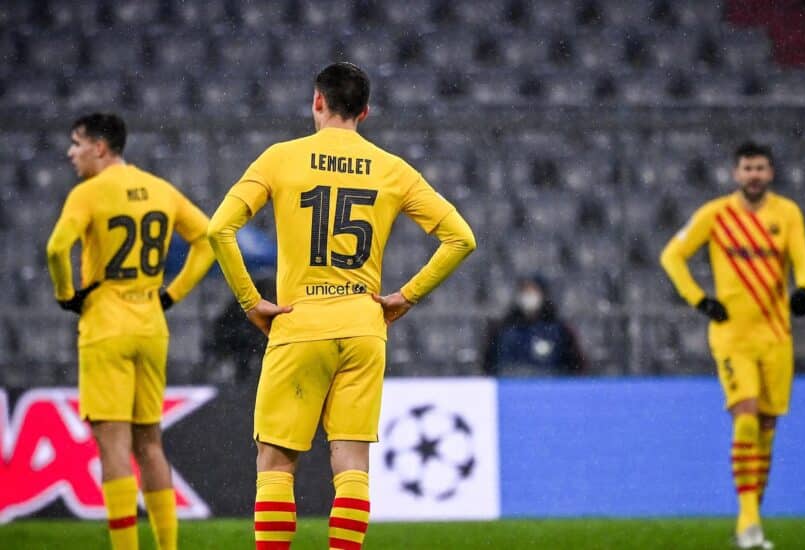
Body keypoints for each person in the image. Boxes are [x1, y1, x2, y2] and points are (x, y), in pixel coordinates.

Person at [207, 62, 476, 550]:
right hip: (363, 325)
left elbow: (218, 229)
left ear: (317, 101)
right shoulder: (393, 169)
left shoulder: (281, 159)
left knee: (276, 463)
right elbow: (461, 238)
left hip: (298, 323)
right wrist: (407, 295)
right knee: (351, 464)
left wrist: (251, 302)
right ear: (365, 112)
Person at [46, 113, 214, 550]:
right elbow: (209, 240)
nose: (71, 153)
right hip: (151, 324)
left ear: (100, 148)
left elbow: (56, 247)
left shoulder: (88, 194)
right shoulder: (160, 189)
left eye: (77, 143)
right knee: (151, 445)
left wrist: (68, 294)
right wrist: (172, 295)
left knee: (114, 448)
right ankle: (168, 547)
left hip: (106, 325)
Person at [660, 141, 805, 548]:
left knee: (766, 429)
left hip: (777, 337)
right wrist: (701, 300)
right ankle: (749, 523)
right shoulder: (715, 214)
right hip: (732, 338)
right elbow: (672, 257)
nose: (754, 175)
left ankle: (750, 521)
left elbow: (802, 258)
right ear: (736, 174)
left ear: (771, 173)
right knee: (745, 418)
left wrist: (804, 288)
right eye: (747, 168)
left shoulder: (788, 214)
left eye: (761, 167)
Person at [482, 275, 587, 376]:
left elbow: (576, 367)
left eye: (533, 291)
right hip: (511, 389)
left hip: (549, 390)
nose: (528, 296)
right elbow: (488, 366)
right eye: (525, 291)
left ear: (542, 294)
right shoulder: (502, 329)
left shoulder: (561, 330)